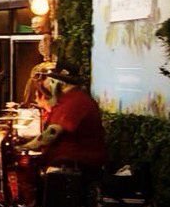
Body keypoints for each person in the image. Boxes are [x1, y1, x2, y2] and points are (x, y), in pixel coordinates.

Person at [22, 62, 107, 194]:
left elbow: (52, 133)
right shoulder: (68, 100)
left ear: (59, 83)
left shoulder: (75, 101)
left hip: (73, 166)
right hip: (68, 164)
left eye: (50, 80)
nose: (47, 84)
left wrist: (25, 147)